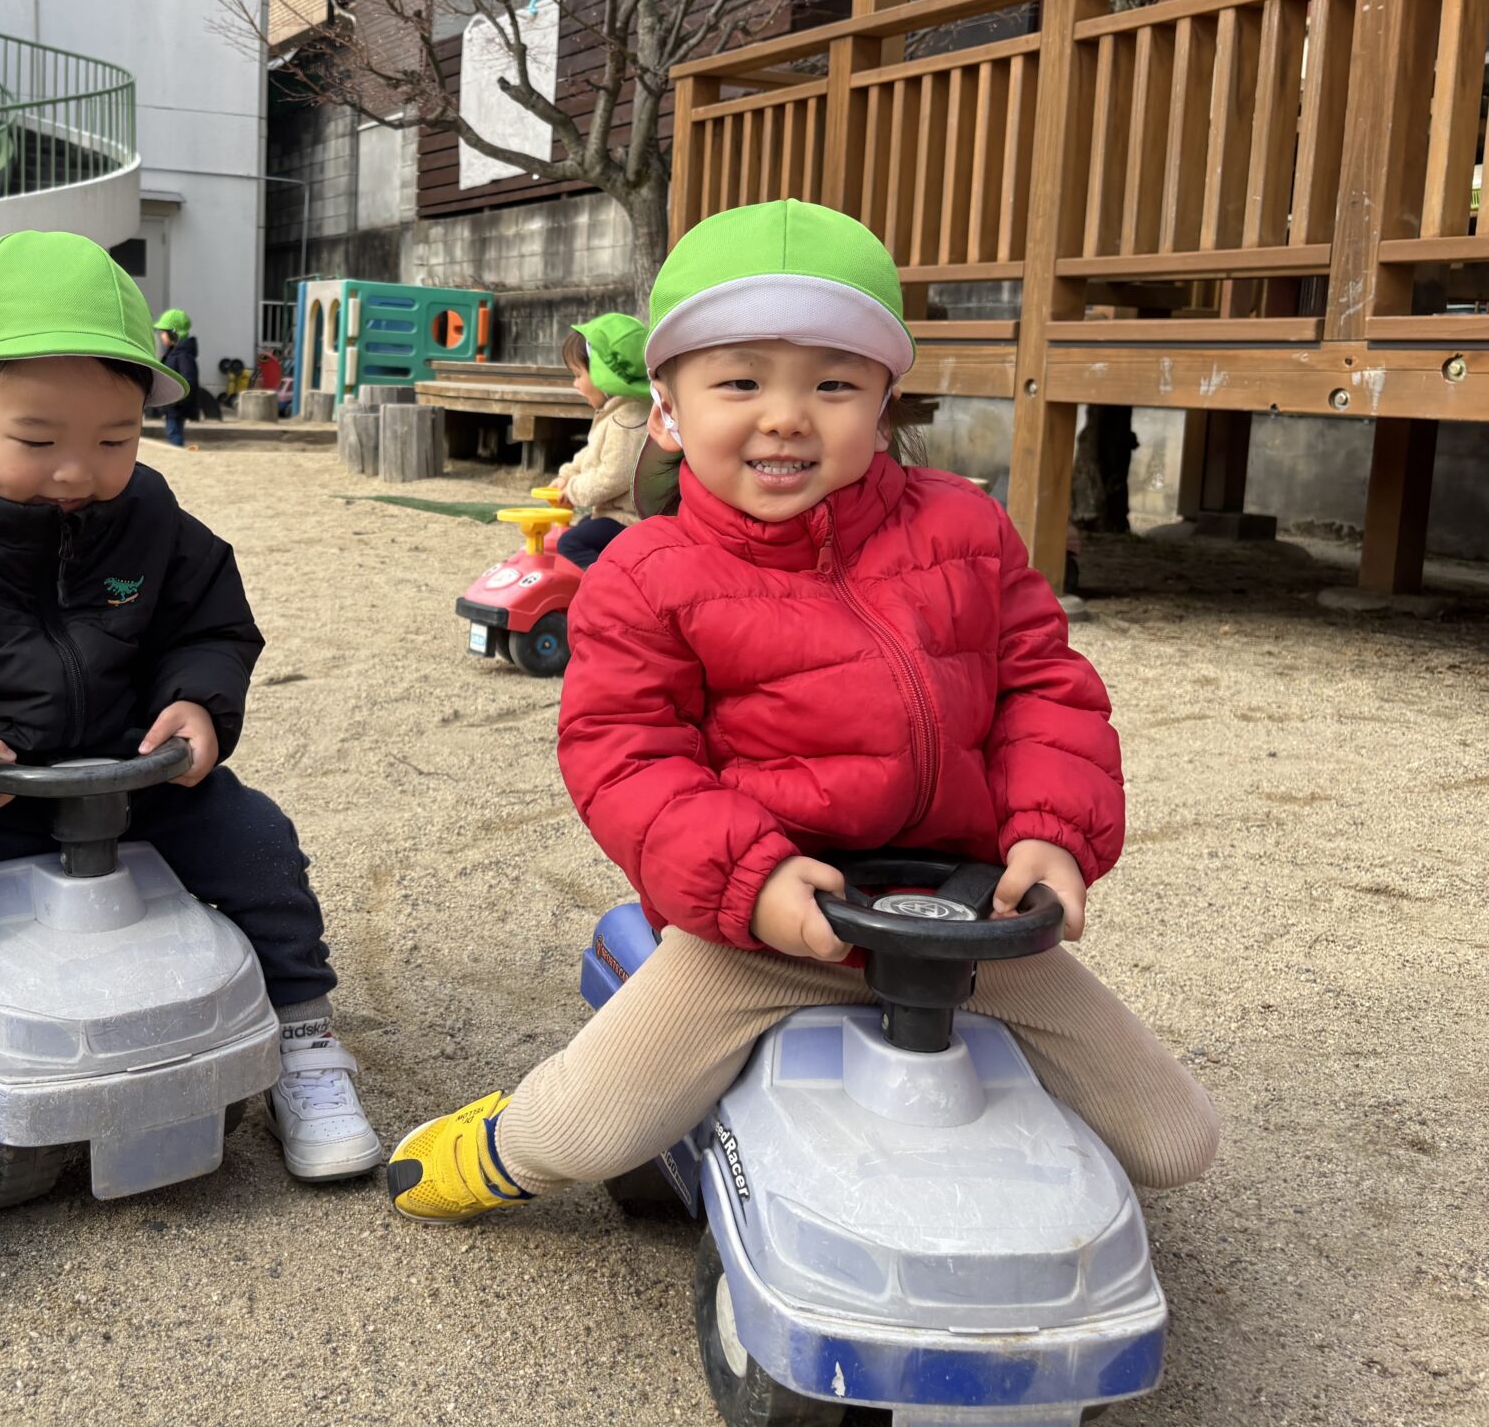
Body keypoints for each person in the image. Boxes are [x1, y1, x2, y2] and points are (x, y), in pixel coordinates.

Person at [385, 199, 1218, 1222]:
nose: (787, 416)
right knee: (592, 1131)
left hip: (962, 920)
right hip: (768, 927)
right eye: (740, 382)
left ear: (885, 404)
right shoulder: (648, 574)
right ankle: (496, 1144)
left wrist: (1051, 833)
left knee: (1175, 1141)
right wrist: (751, 877)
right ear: (667, 412)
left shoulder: (965, 527)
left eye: (833, 384)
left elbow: (1043, 685)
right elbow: (628, 758)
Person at [0, 232, 381, 1287]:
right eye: (37, 436)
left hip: (128, 780)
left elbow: (209, 624)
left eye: (115, 438)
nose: (77, 470)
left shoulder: (147, 516)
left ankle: (300, 1036)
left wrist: (197, 702)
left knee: (256, 840)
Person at [549, 314, 651, 570]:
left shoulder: (626, 420)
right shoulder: (618, 411)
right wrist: (567, 475)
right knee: (583, 528)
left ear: (602, 375)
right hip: (616, 514)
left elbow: (614, 475)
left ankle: (612, 586)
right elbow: (592, 453)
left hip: (630, 520)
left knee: (572, 543)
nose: (575, 384)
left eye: (577, 375)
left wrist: (573, 490)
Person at [155, 308, 200, 446]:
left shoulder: (183, 356)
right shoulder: (173, 353)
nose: (161, 336)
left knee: (174, 433)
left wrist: (176, 401)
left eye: (163, 332)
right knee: (172, 431)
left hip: (176, 408)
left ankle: (178, 449)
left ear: (173, 333)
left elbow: (189, 381)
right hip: (172, 406)